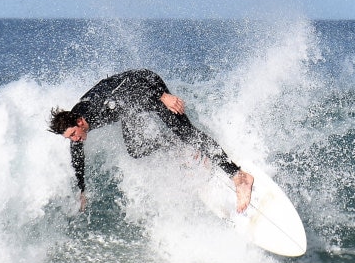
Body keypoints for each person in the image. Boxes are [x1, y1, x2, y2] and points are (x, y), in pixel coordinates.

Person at [48, 69, 252, 213]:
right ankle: (178, 148)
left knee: (187, 133)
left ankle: (239, 176)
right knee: (136, 150)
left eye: (74, 134)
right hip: (129, 107)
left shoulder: (99, 107)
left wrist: (163, 96)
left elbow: (130, 83)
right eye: (70, 137)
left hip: (147, 87)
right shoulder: (75, 124)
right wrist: (82, 189)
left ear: (80, 121)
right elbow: (77, 156)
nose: (75, 139)